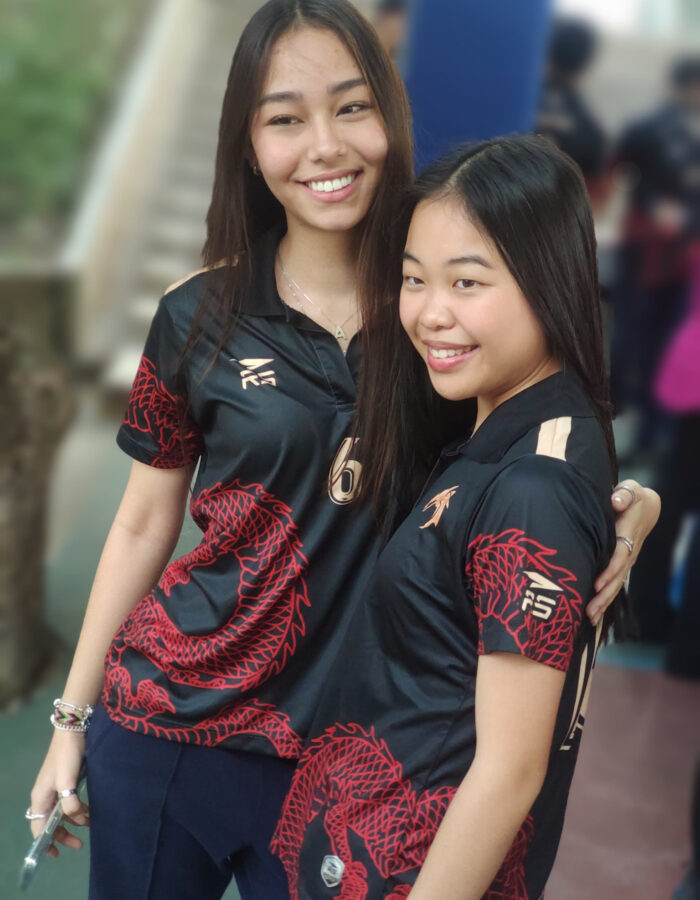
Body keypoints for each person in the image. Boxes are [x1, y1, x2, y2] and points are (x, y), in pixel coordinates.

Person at [26, 3, 658, 898]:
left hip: (348, 768)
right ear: (249, 146)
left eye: (352, 106)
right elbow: (140, 524)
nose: (325, 145)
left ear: (390, 114)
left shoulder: (443, 321)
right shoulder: (195, 315)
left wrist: (624, 507)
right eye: (285, 118)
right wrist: (71, 716)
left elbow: (526, 451)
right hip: (170, 727)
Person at [271, 134, 633, 900]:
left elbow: (509, 773)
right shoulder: (522, 434)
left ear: (550, 280)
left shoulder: (533, 486)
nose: (430, 314)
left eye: (467, 283)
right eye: (414, 280)